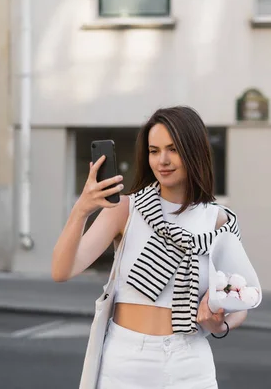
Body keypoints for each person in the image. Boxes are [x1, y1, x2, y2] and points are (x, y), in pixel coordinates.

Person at [51, 106, 248, 388]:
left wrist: (222, 323)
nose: (162, 160)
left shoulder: (218, 220)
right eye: (154, 151)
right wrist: (82, 209)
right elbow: (61, 270)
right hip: (127, 360)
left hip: (190, 360)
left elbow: (242, 296)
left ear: (194, 151)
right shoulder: (126, 210)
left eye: (172, 149)